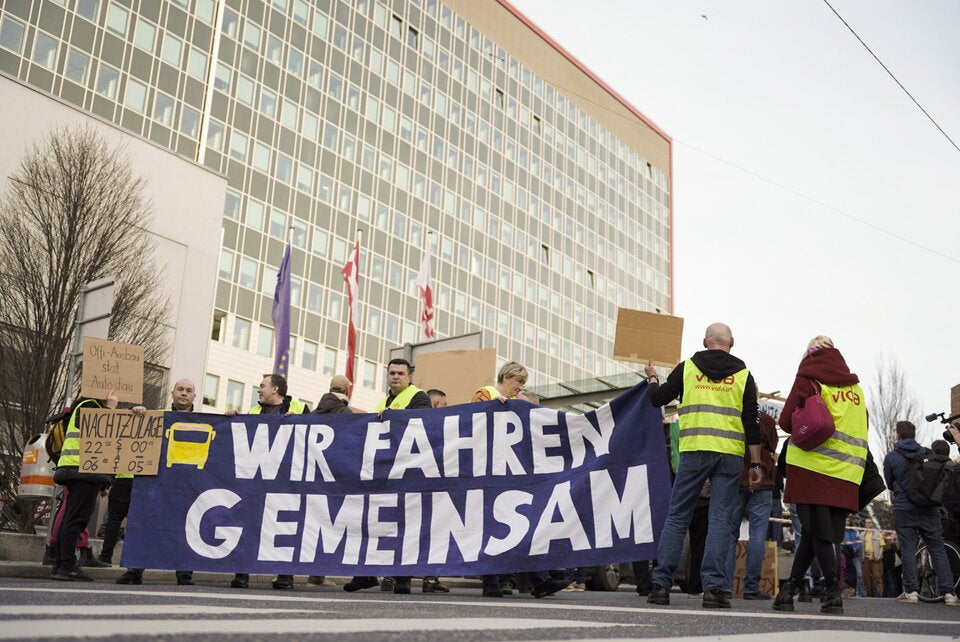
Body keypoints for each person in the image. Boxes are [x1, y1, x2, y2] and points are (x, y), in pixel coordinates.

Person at [643, 323, 761, 609]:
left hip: (694, 451)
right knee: (719, 520)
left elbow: (658, 399)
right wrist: (756, 463)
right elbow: (752, 422)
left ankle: (660, 585)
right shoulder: (744, 375)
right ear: (732, 342)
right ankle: (713, 589)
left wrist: (652, 377)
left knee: (677, 516)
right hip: (729, 455)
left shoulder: (688, 368)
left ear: (705, 341)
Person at [773, 335, 868, 615]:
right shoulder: (856, 390)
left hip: (812, 470)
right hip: (846, 472)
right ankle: (789, 590)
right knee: (815, 533)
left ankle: (832, 591)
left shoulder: (808, 379)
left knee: (820, 534)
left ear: (810, 354)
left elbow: (785, 422)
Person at [472, 361, 570, 599]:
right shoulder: (484, 395)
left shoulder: (515, 402)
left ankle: (537, 580)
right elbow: (471, 423)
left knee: (517, 526)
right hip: (489, 471)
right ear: (506, 377)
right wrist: (492, 408)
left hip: (508, 472)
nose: (520, 387)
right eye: (519, 381)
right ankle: (497, 580)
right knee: (494, 526)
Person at [344, 359, 433, 595]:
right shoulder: (384, 401)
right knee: (375, 523)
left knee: (404, 525)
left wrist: (393, 417)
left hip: (408, 473)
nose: (395, 376)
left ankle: (403, 578)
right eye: (392, 373)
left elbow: (422, 425)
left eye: (400, 373)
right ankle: (365, 574)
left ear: (409, 377)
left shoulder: (419, 397)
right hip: (385, 472)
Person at [112, 379, 198, 586]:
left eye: (188, 390)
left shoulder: (203, 421)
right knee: (145, 524)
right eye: (180, 389)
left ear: (194, 396)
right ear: (172, 393)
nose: (184, 393)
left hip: (186, 485)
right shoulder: (156, 416)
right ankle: (135, 570)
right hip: (155, 483)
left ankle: (184, 573)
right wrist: (137, 413)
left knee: (184, 528)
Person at [228, 374, 309, 590]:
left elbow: (315, 434)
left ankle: (285, 576)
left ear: (275, 389)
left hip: (286, 481)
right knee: (249, 526)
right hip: (258, 480)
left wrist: (301, 421)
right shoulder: (254, 412)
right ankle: (241, 574)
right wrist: (233, 419)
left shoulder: (300, 409)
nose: (259, 389)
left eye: (262, 386)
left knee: (286, 528)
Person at [882, 420, 958, 606]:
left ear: (898, 435)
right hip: (929, 508)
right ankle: (949, 593)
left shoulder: (892, 457)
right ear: (914, 434)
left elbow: (889, 482)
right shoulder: (928, 453)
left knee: (908, 549)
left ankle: (911, 592)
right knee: (937, 549)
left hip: (904, 508)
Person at [51, 391, 118, 581]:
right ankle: (67, 566)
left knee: (70, 518)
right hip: (82, 470)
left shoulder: (84, 404)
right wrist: (110, 408)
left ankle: (61, 565)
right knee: (76, 520)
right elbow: (99, 432)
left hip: (78, 470)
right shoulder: (91, 405)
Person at [723, 411, 777, 600]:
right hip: (763, 479)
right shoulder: (766, 419)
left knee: (730, 534)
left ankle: (725, 587)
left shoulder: (732, 415)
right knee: (758, 534)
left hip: (736, 477)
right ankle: (751, 588)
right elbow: (772, 445)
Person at [861, 517, 884, 597]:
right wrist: (861, 556)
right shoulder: (862, 534)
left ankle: (879, 594)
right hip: (866, 557)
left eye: (870, 522)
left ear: (872, 523)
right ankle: (869, 595)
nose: (868, 524)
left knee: (877, 577)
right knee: (866, 577)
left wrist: (879, 556)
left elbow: (882, 546)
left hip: (875, 557)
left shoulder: (877, 533)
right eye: (867, 522)